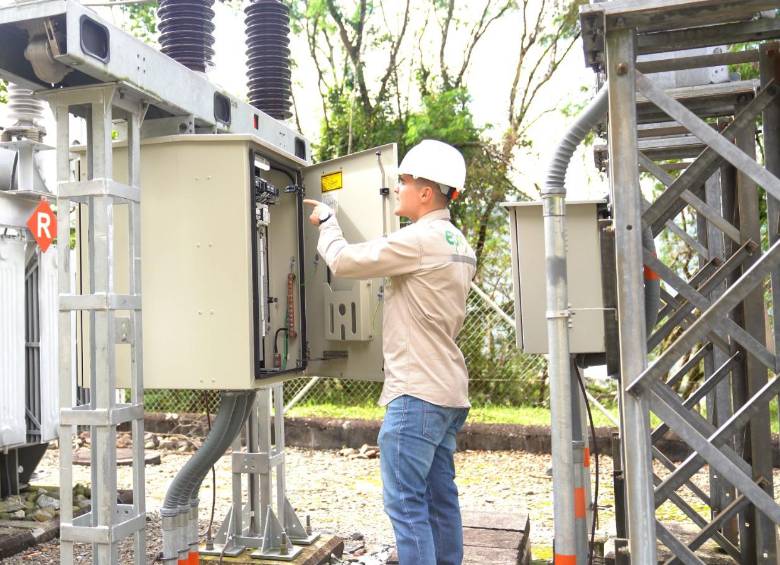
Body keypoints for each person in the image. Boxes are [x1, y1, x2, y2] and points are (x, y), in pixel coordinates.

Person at [304, 139, 475, 565]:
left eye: (404, 180)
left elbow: (343, 262)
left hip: (417, 394)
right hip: (448, 391)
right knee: (440, 502)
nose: (397, 187)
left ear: (426, 192)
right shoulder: (459, 243)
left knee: (406, 505)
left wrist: (328, 220)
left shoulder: (421, 239)